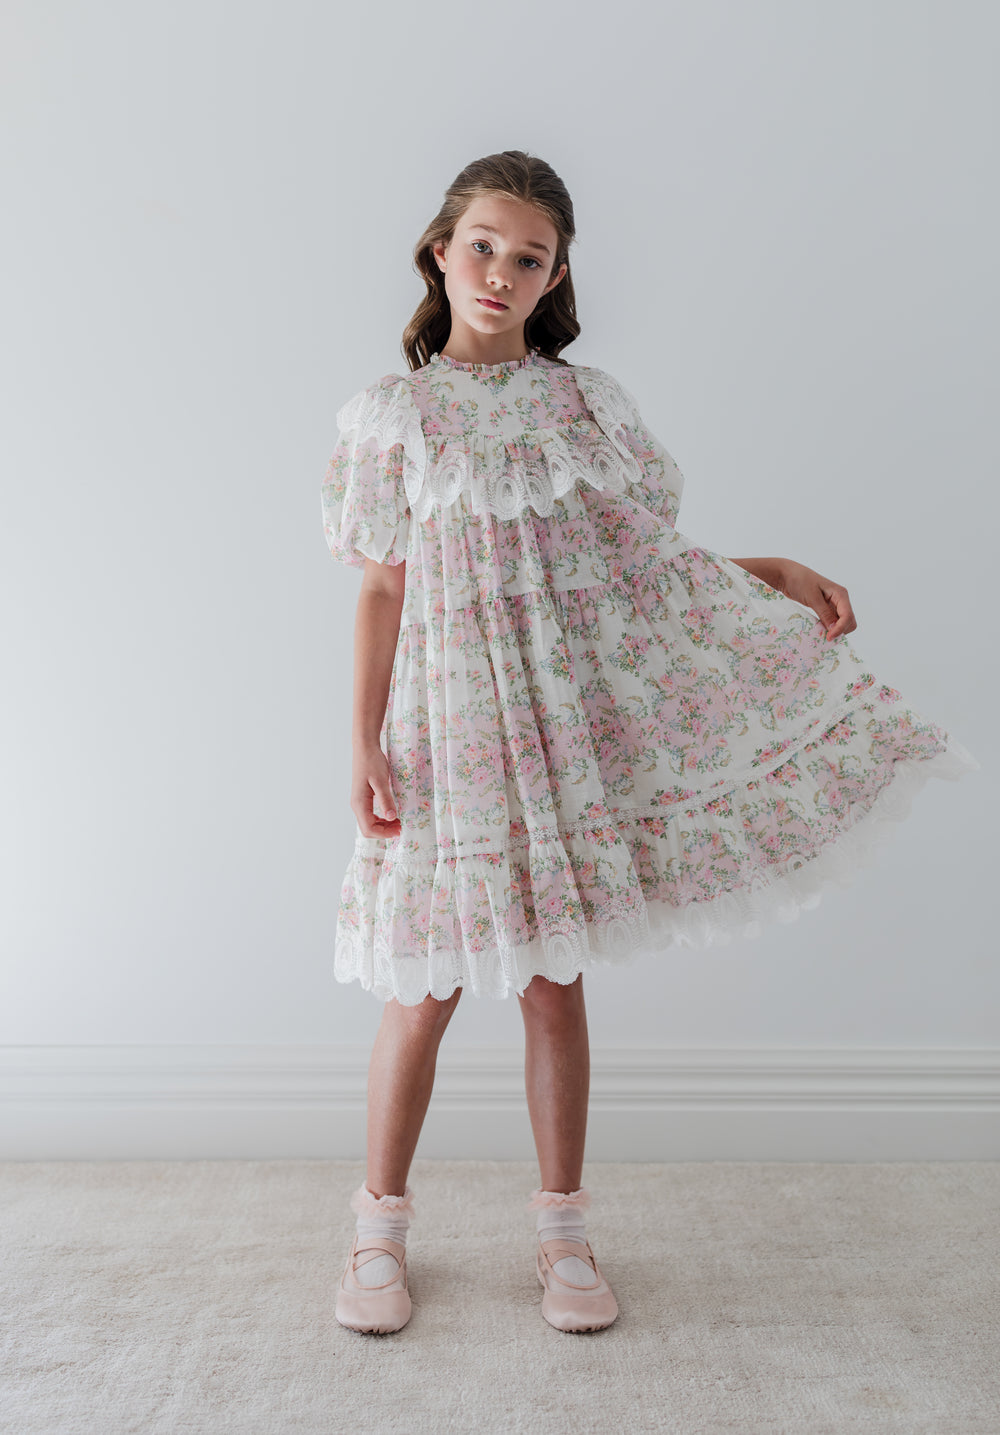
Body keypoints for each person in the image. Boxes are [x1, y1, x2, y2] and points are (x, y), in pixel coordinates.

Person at [320, 150, 978, 1336]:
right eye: (483, 246)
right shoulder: (394, 417)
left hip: (554, 724)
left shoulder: (582, 407)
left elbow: (639, 568)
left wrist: (768, 571)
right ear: (439, 250)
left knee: (552, 982)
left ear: (556, 276)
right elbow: (380, 587)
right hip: (446, 726)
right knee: (421, 986)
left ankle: (563, 1233)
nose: (501, 272)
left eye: (530, 257)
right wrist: (362, 741)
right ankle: (377, 1231)